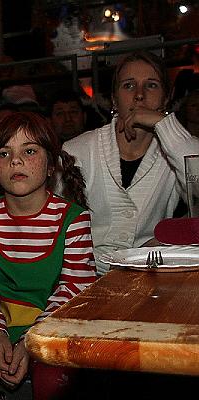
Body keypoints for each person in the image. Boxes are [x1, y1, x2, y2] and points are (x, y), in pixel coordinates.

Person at [0, 112, 96, 398]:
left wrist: (28, 341)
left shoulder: (73, 220)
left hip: (52, 328)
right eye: (4, 153)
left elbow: (75, 290)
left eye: (29, 151)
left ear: (51, 166)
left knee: (55, 381)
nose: (16, 161)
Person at [61, 51, 199, 275]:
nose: (139, 95)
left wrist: (165, 124)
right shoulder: (76, 150)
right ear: (114, 99)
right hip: (81, 277)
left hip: (148, 277)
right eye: (128, 85)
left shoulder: (176, 148)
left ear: (166, 98)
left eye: (151, 85)